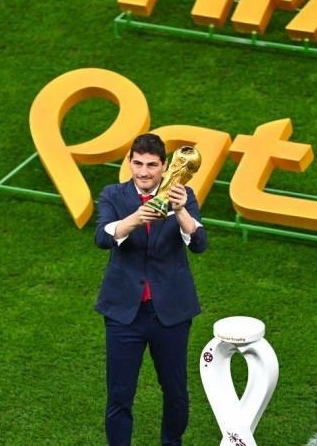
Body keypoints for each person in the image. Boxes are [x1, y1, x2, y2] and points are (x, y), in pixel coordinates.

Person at [94, 133, 207, 446]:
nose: (143, 172)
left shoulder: (183, 195)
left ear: (165, 166)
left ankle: (172, 443)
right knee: (119, 394)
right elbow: (102, 237)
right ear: (129, 162)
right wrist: (132, 220)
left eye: (151, 165)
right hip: (123, 315)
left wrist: (181, 211)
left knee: (175, 391)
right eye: (138, 163)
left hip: (169, 313)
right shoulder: (113, 195)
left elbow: (200, 244)